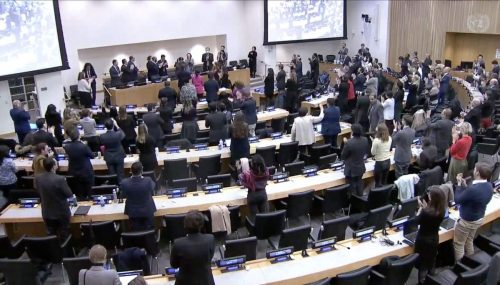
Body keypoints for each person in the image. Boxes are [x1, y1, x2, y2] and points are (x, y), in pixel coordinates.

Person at [453, 162, 493, 262]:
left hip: (467, 222)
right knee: (469, 240)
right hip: (478, 218)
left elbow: (457, 200)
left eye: (475, 169)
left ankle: (461, 267)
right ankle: (472, 263)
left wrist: (458, 184)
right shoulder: (489, 186)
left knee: (459, 244)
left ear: (477, 173)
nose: (474, 170)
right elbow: (473, 196)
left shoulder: (473, 190)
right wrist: (465, 186)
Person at [170, 210, 215, 285]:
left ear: (185, 225)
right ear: (201, 225)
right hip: (206, 281)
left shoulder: (178, 243)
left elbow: (174, 265)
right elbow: (210, 257)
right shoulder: (210, 238)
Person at [414, 186, 446, 284]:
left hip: (423, 241)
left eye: (430, 195)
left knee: (423, 266)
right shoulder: (442, 210)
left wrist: (420, 210)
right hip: (434, 239)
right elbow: (430, 214)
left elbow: (417, 221)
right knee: (431, 262)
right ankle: (432, 281)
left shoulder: (425, 213)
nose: (428, 196)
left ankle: (421, 282)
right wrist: (425, 208)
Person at [36, 157, 73, 239]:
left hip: (47, 212)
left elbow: (39, 191)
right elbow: (69, 194)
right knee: (64, 236)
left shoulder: (38, 178)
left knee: (51, 236)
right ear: (54, 166)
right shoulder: (60, 179)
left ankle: (54, 251)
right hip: (61, 213)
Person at [121, 161, 156, 231]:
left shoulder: (124, 182)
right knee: (149, 232)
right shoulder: (148, 180)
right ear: (142, 170)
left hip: (133, 213)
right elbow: (153, 188)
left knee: (136, 231)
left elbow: (123, 195)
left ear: (131, 171)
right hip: (147, 211)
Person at [63, 127, 94, 199]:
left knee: (79, 193)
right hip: (86, 172)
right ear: (79, 136)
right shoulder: (83, 146)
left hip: (74, 172)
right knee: (90, 192)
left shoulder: (67, 147)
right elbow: (92, 156)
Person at [341, 123, 369, 196]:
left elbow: (343, 156)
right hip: (360, 168)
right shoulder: (365, 140)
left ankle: (353, 202)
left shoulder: (349, 143)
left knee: (351, 189)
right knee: (360, 184)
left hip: (351, 170)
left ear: (353, 132)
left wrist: (345, 143)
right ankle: (360, 200)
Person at [239, 154, 269, 221]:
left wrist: (239, 169)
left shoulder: (248, 174)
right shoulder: (266, 172)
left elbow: (240, 178)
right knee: (265, 216)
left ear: (252, 164)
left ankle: (255, 230)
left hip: (252, 196)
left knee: (253, 218)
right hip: (262, 194)